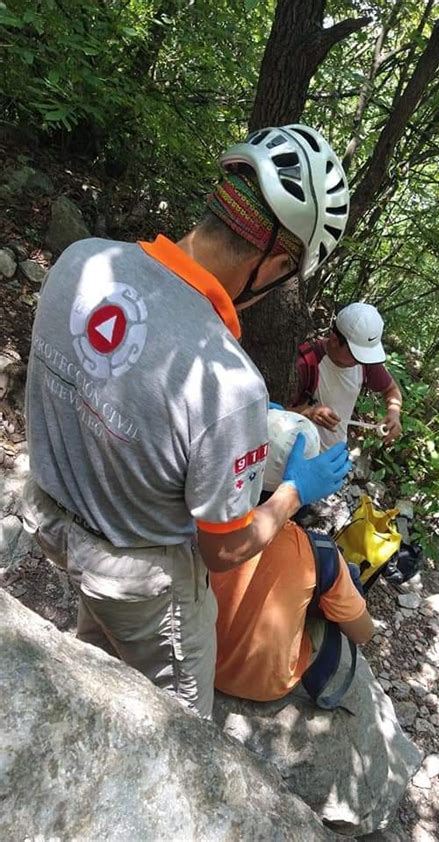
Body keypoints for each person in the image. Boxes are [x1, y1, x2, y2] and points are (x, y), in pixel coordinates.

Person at [22, 124, 351, 719]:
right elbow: (225, 551)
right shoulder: (229, 384)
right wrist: (295, 492)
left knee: (96, 657)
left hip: (51, 522)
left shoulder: (82, 260)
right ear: (277, 258)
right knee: (178, 730)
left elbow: (118, 391)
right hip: (141, 578)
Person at [212, 410, 374, 703]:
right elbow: (363, 632)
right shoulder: (318, 554)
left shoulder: (209, 523)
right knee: (329, 599)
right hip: (266, 687)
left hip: (197, 664)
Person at [292, 302, 403, 451]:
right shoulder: (306, 362)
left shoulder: (364, 363)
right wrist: (308, 412)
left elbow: (391, 389)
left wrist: (394, 412)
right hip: (298, 454)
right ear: (334, 340)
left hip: (336, 453)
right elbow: (272, 410)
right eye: (355, 354)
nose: (359, 360)